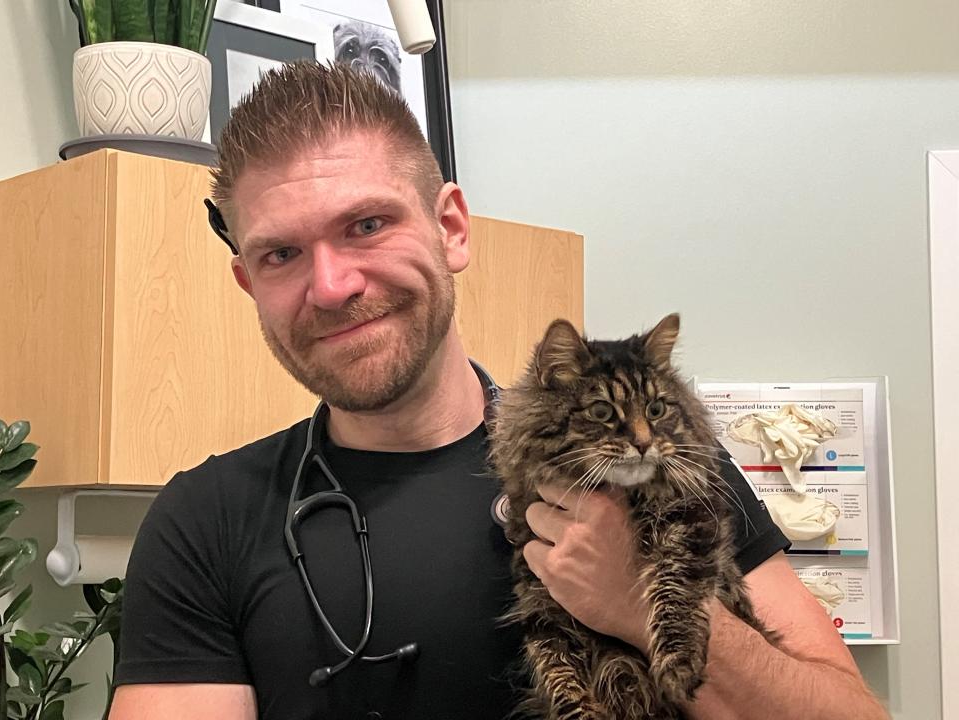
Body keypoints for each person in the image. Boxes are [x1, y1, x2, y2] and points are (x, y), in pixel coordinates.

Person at [109, 61, 887, 720]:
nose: (333, 285)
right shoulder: (202, 525)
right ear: (248, 281)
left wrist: (640, 605)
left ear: (451, 228)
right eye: (281, 254)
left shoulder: (663, 460)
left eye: (368, 225)